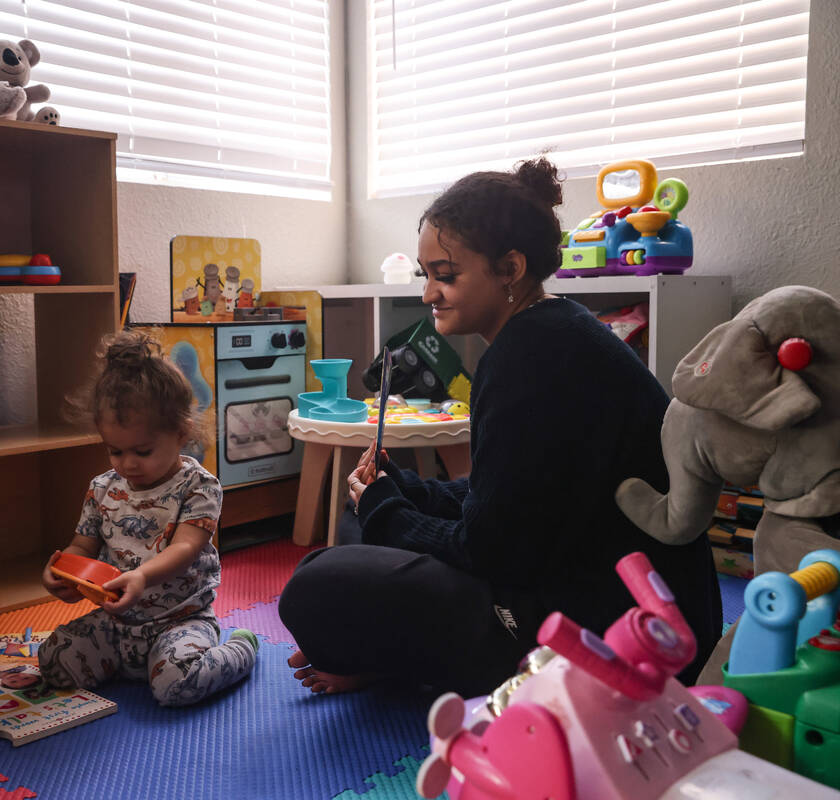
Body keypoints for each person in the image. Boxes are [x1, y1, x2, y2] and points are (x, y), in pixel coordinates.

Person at [278, 157, 721, 697]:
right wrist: (404, 491)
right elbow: (512, 494)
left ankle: (402, 662)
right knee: (360, 520)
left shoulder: (523, 360)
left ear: (509, 269)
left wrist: (385, 510)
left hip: (612, 638)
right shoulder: (562, 326)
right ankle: (390, 646)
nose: (427, 295)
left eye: (446, 276)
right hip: (647, 610)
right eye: (426, 276)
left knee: (314, 583)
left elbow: (493, 550)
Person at [36, 329, 260, 707]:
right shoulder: (103, 488)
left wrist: (141, 576)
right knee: (52, 659)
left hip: (180, 620)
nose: (127, 464)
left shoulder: (199, 486)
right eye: (115, 451)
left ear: (181, 432)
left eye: (142, 450)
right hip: (116, 623)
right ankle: (127, 665)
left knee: (177, 685)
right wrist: (62, 571)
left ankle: (240, 648)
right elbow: (82, 546)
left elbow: (187, 547)